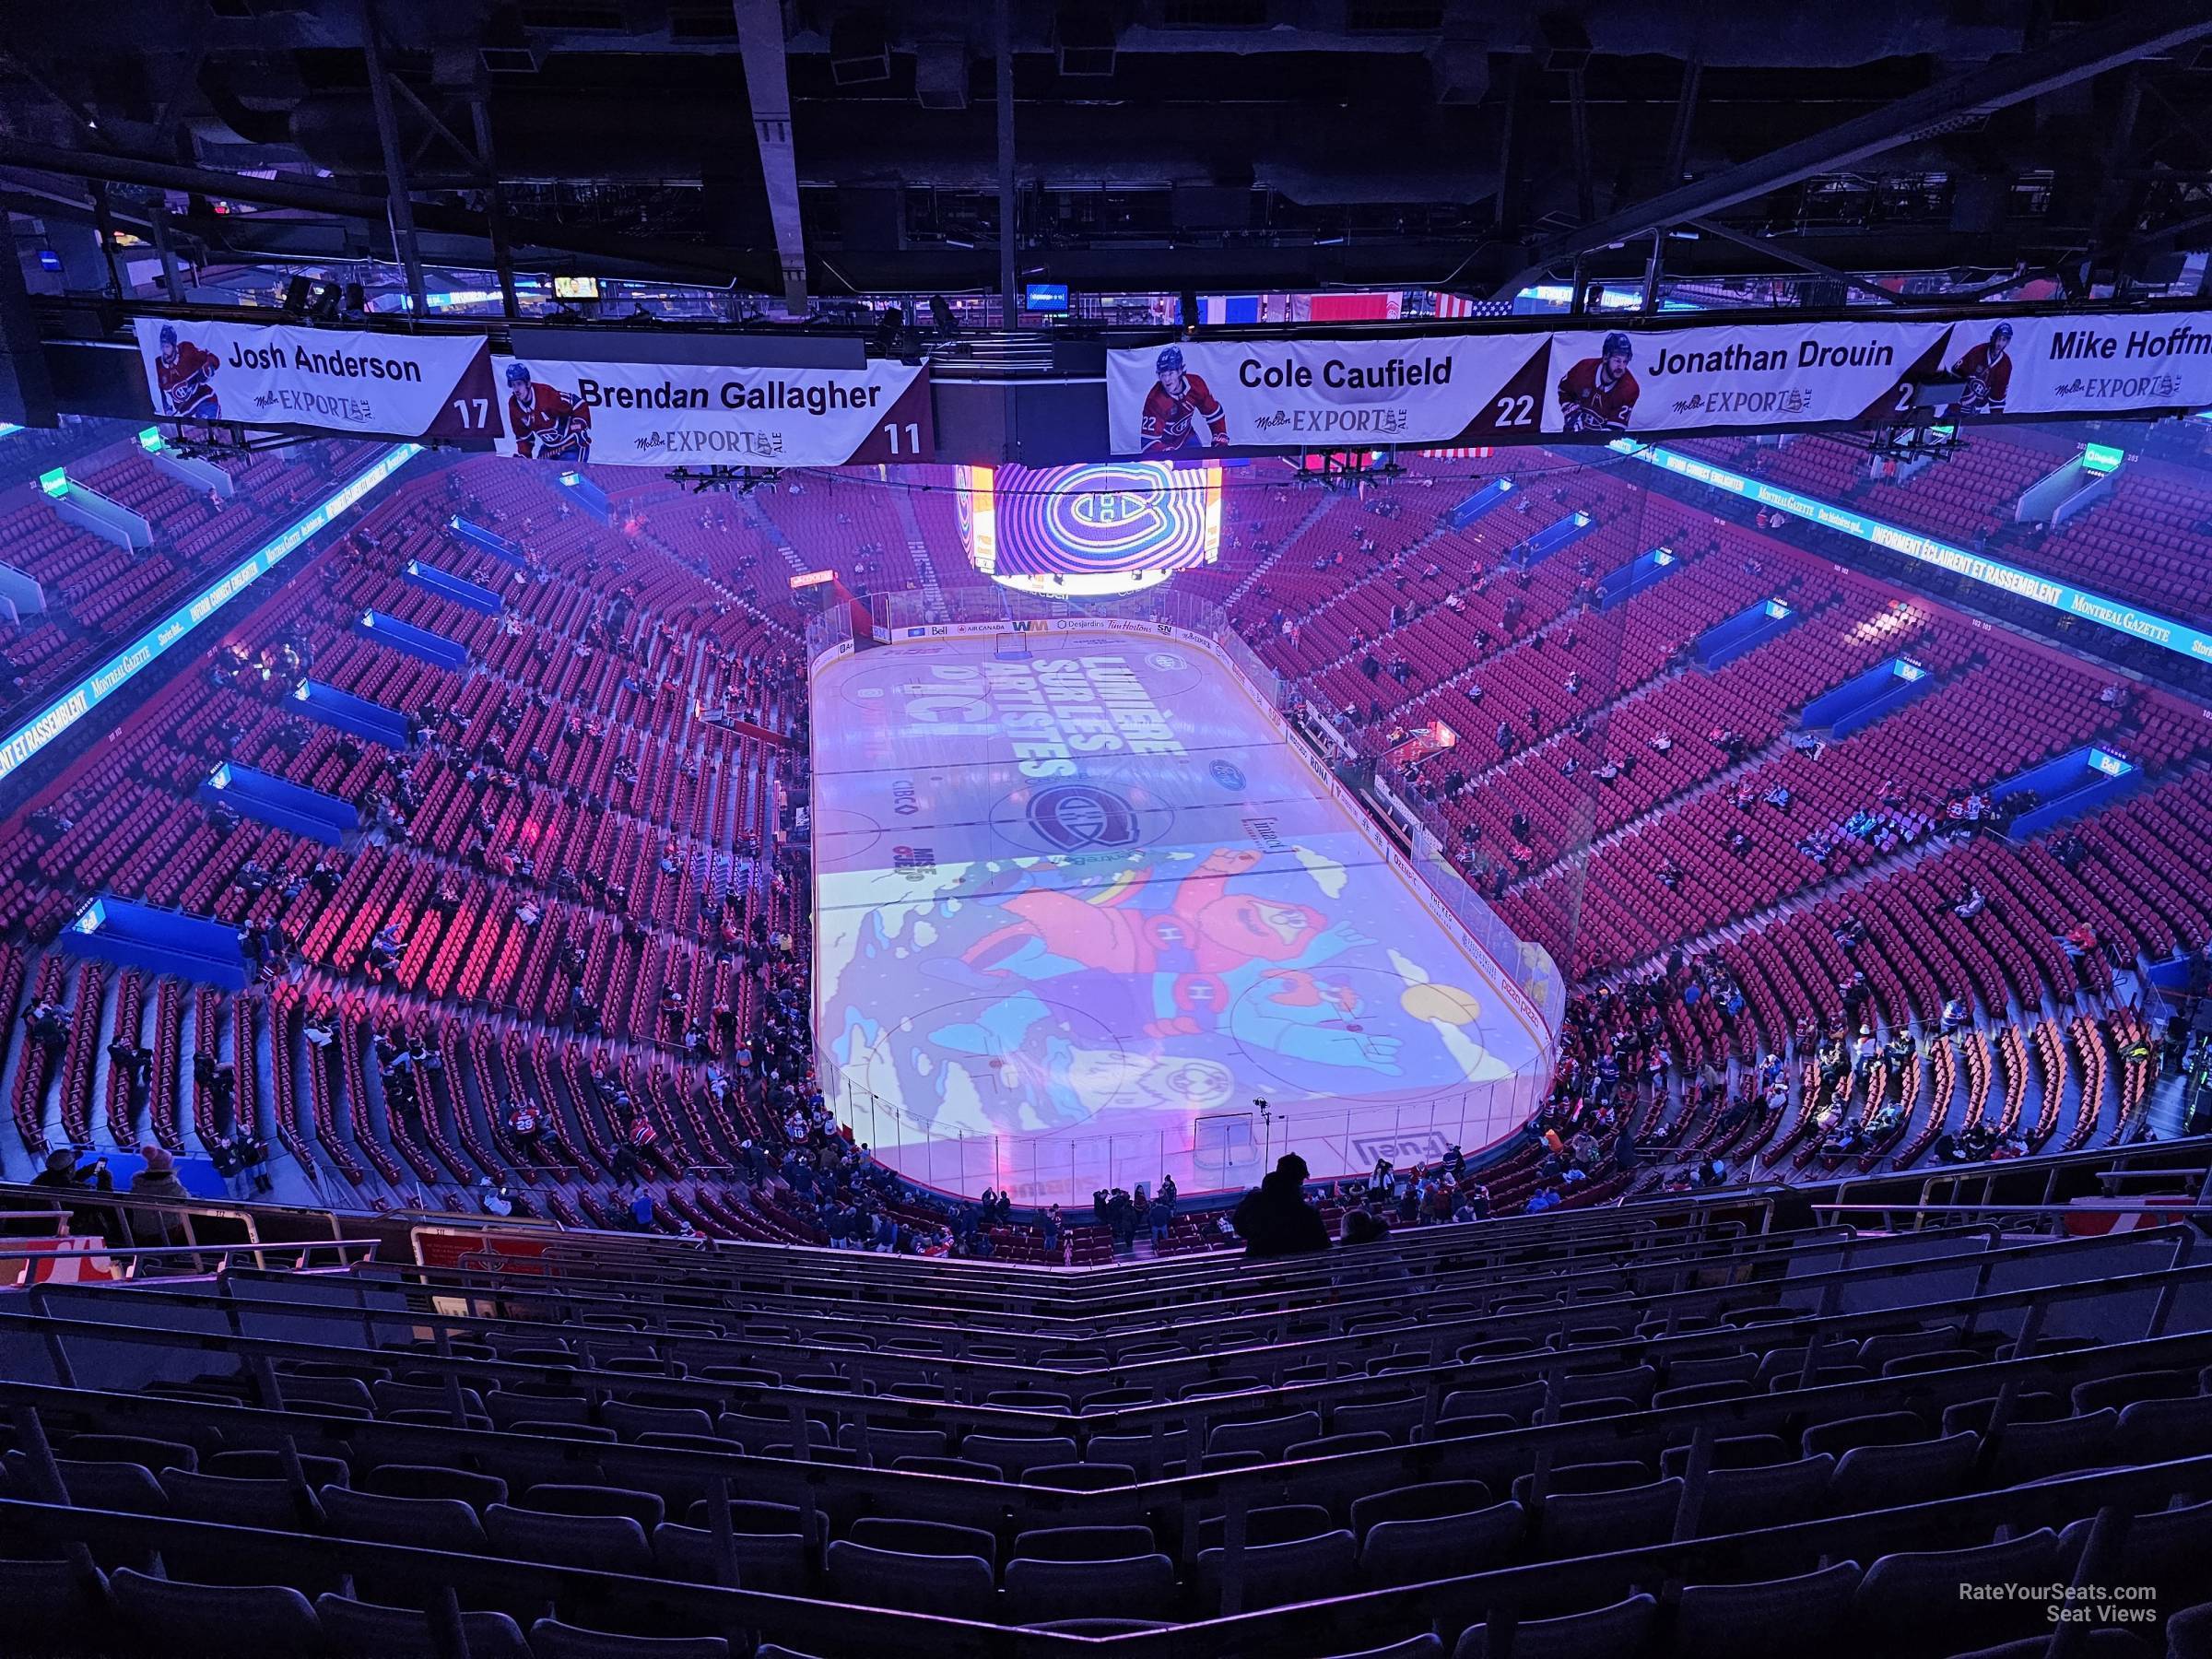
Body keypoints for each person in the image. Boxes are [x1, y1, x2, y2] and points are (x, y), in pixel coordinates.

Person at [1231, 1153, 1331, 1258]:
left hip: (1258, 1260)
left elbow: (1239, 1225)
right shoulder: (1307, 1212)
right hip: (1297, 1266)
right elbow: (1323, 1244)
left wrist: (1257, 1237)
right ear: (1298, 1181)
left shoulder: (1253, 1200)